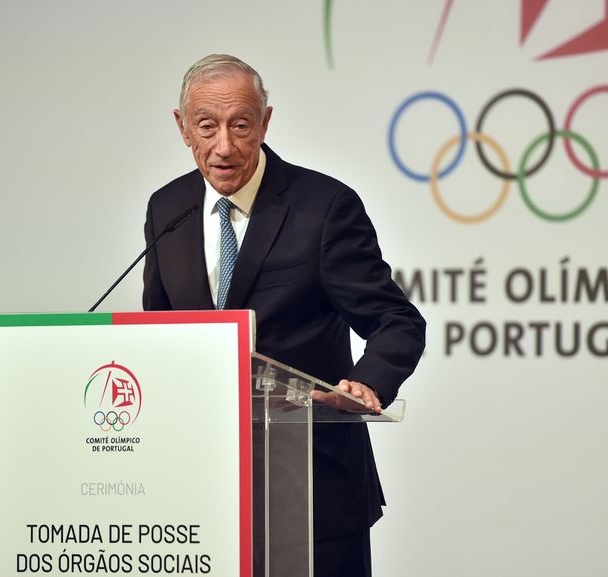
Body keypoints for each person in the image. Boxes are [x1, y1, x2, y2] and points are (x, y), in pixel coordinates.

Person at [142, 54, 425, 577]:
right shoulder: (168, 209)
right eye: (207, 126)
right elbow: (162, 337)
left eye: (241, 125)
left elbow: (396, 321)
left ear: (265, 122)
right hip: (202, 497)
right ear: (183, 128)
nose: (224, 146)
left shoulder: (324, 207)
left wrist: (364, 385)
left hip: (314, 487)